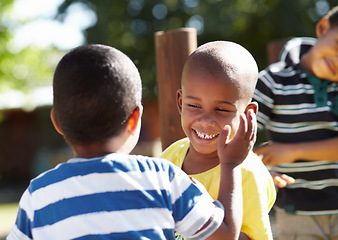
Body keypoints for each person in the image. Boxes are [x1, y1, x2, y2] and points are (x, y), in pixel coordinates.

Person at [7, 44, 257, 240]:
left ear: (57, 122)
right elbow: (225, 236)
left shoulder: (38, 195)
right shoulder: (162, 178)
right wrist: (231, 164)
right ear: (135, 118)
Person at [161, 41, 276, 240]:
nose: (205, 121)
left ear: (248, 114)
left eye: (222, 109)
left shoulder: (248, 173)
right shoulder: (172, 156)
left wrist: (199, 219)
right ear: (180, 102)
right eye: (194, 105)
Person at [253, 5, 338, 240]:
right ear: (323, 27)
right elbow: (240, 132)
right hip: (297, 212)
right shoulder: (272, 82)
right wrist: (259, 169)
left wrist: (293, 151)